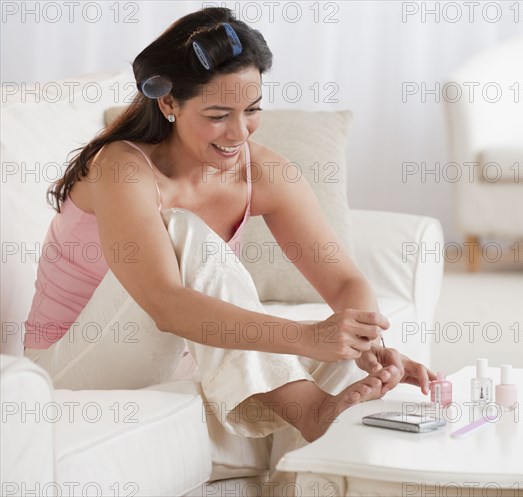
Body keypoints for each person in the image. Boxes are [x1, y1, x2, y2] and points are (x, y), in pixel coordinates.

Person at [23, 6, 435, 487]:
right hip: (73, 367)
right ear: (169, 103)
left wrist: (370, 345)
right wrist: (306, 337)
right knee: (186, 231)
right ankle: (315, 412)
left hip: (182, 364)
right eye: (218, 115)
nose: (239, 133)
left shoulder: (263, 171)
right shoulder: (121, 168)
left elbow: (344, 280)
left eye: (252, 110)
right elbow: (166, 305)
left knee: (344, 373)